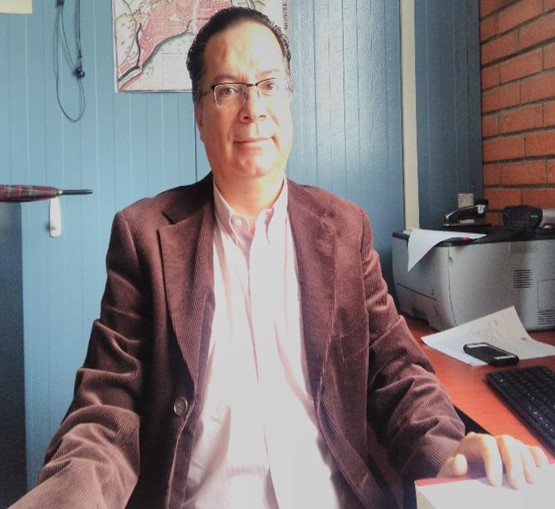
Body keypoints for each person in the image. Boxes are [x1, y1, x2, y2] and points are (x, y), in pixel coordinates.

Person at [12, 6, 547, 509]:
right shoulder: (145, 237)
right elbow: (108, 412)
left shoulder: (344, 229)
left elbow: (397, 374)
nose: (253, 109)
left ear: (288, 101)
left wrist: (449, 452)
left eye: (269, 85)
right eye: (227, 90)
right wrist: (65, 497)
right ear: (199, 115)